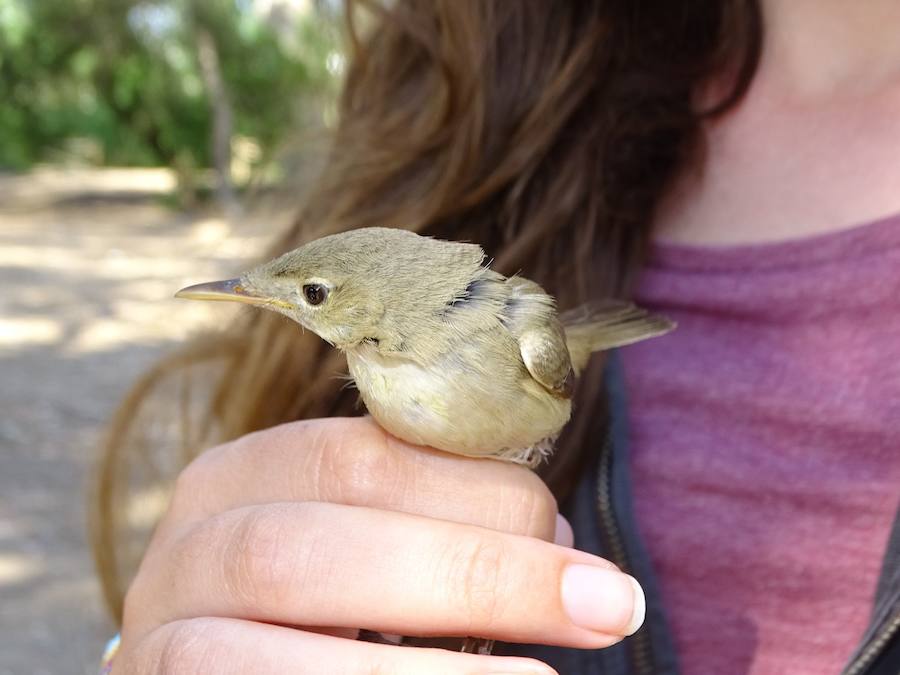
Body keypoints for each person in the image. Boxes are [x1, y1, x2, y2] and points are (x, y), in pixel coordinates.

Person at [94, 1, 900, 673]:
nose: (289, 306)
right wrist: (148, 646)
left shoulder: (516, 331)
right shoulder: (492, 71)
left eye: (311, 296)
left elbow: (549, 379)